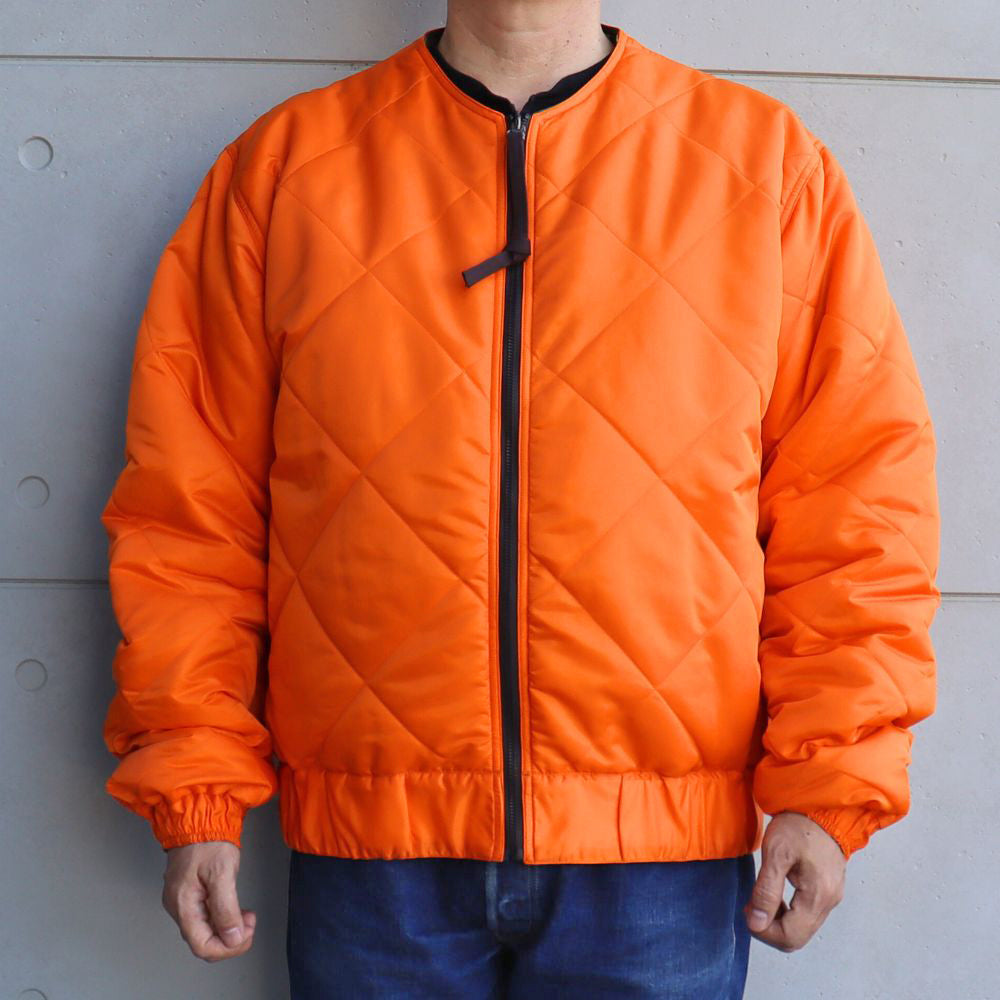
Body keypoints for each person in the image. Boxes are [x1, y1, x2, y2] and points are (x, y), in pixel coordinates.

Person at [99, 1, 941, 996]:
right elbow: (190, 514)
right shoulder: (288, 169)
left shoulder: (763, 168)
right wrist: (194, 778)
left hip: (661, 859)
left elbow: (856, 510)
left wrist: (829, 785)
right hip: (373, 855)